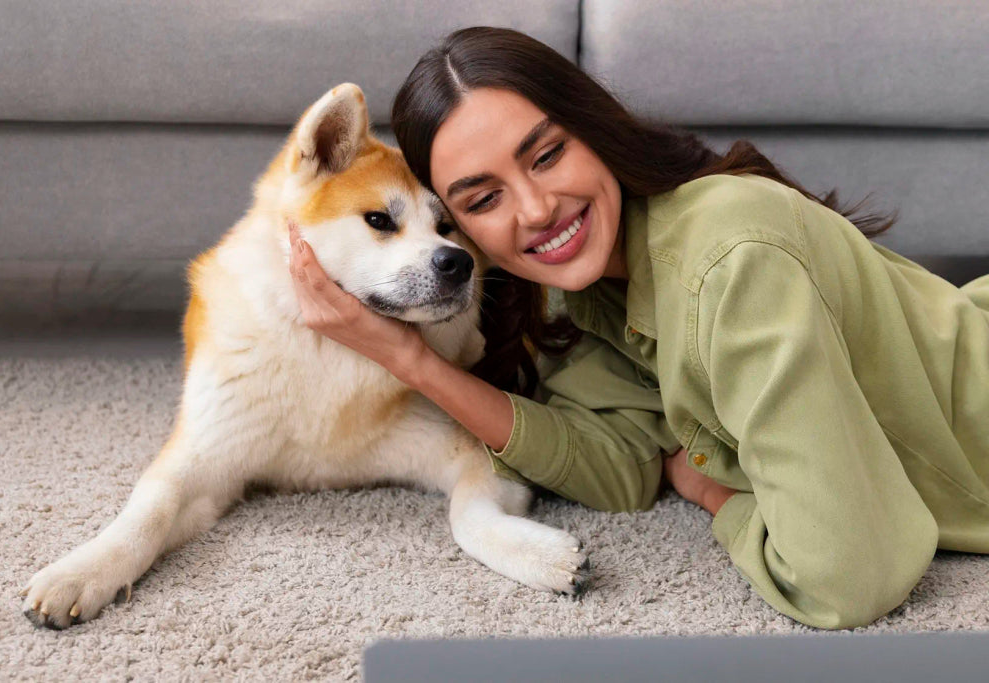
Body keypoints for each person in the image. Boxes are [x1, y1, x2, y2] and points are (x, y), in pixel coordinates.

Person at [285, 26, 989, 630]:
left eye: (547, 154)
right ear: (460, 227)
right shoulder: (588, 291)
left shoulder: (728, 261)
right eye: (485, 197)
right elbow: (620, 468)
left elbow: (849, 572)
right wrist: (412, 361)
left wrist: (714, 491)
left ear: (593, 125)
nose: (535, 209)